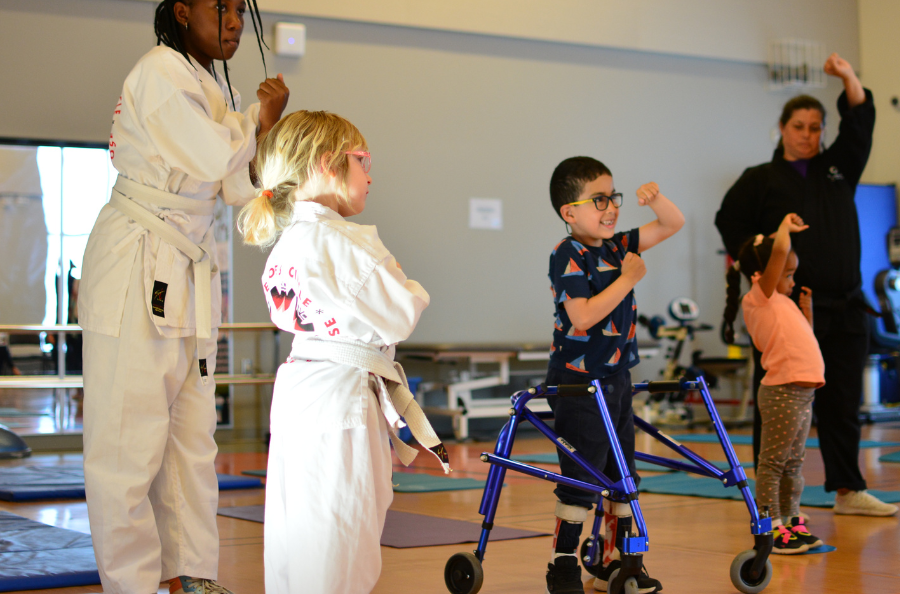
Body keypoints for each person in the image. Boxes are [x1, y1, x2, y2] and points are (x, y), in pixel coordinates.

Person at [77, 1, 289, 592]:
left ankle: (190, 576)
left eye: (237, 12)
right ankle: (133, 585)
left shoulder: (206, 87)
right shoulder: (159, 72)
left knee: (191, 440)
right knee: (126, 448)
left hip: (187, 265)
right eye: (218, 8)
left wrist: (264, 132)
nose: (232, 22)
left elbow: (232, 185)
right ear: (180, 11)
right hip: (137, 260)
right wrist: (258, 118)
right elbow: (214, 155)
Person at [237, 110, 450, 594]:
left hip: (301, 388)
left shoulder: (289, 240)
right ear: (328, 162)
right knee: (340, 539)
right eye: (363, 160)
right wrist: (399, 272)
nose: (370, 173)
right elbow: (403, 310)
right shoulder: (344, 241)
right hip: (341, 396)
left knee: (298, 538)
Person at [716, 52, 897, 517]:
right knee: (778, 406)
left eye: (816, 126)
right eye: (800, 125)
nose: (809, 134)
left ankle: (847, 490)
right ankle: (769, 503)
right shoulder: (759, 180)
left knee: (842, 402)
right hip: (784, 316)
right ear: (782, 128)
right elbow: (728, 222)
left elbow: (860, 122)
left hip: (844, 306)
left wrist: (849, 76)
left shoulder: (838, 169)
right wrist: (756, 267)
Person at [544, 157, 684, 594]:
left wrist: (655, 199)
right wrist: (627, 279)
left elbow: (672, 223)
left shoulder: (618, 244)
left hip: (616, 378)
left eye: (613, 197)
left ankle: (621, 565)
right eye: (598, 199)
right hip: (578, 383)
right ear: (570, 213)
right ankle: (563, 564)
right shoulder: (567, 254)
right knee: (582, 477)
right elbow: (582, 317)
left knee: (623, 474)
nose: (611, 207)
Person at [723, 214, 826, 554]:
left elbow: (802, 341)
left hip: (802, 393)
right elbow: (778, 255)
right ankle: (771, 527)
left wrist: (807, 312)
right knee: (773, 464)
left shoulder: (781, 301)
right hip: (782, 392)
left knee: (794, 463)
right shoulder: (759, 296)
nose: (792, 280)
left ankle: (793, 520)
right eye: (788, 273)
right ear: (760, 274)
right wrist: (783, 230)